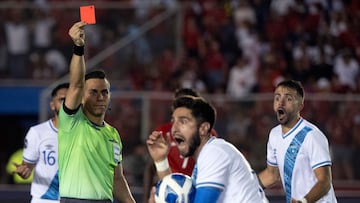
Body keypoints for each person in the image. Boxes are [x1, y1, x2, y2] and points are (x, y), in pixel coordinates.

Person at [57, 21, 135, 203]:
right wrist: (78, 48)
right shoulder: (72, 121)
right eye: (93, 92)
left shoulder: (113, 134)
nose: (100, 96)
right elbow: (76, 84)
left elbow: (117, 179)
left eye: (104, 92)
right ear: (82, 97)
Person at [146, 96, 268, 203]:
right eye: (174, 121)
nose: (174, 128)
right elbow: (174, 191)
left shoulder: (214, 153)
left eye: (183, 121)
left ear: (203, 129)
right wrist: (161, 160)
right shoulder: (206, 159)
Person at [258, 80, 337, 203]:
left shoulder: (312, 135)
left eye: (288, 99)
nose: (281, 103)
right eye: (277, 98)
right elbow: (271, 175)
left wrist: (304, 201)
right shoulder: (274, 134)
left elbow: (325, 182)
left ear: (300, 105)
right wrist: (247, 184)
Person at [143, 88, 219, 202]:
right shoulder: (163, 132)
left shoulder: (211, 138)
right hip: (170, 188)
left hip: (195, 188)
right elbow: (152, 166)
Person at [12, 82, 69, 202]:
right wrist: (24, 172)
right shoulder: (37, 132)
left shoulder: (85, 134)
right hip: (44, 199)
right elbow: (27, 168)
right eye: (62, 99)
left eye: (70, 100)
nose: (66, 104)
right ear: (52, 105)